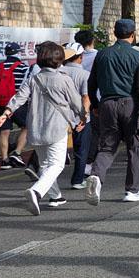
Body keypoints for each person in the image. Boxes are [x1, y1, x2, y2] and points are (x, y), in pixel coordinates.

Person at [0, 41, 85, 215]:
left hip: (35, 129)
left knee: (44, 164)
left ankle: (56, 196)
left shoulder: (33, 79)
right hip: (56, 128)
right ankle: (36, 191)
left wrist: (5, 114)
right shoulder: (64, 78)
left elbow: (19, 97)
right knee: (56, 165)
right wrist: (83, 117)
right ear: (59, 59)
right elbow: (76, 103)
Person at [85, 18, 139, 205]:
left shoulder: (103, 55)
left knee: (107, 146)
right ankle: (132, 189)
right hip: (129, 104)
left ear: (115, 33)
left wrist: (95, 105)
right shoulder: (138, 57)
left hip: (106, 103)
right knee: (134, 146)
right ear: (133, 34)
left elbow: (92, 83)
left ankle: (96, 176)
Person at [0, 43, 31, 169]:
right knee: (26, 127)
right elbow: (25, 87)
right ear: (18, 53)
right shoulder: (23, 68)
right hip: (17, 103)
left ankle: (4, 160)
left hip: (0, 103)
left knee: (4, 132)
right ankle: (17, 153)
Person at [60, 42, 93, 190]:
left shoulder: (59, 72)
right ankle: (77, 180)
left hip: (59, 116)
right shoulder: (84, 74)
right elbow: (86, 98)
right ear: (80, 57)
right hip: (78, 116)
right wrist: (84, 117)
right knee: (81, 149)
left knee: (56, 150)